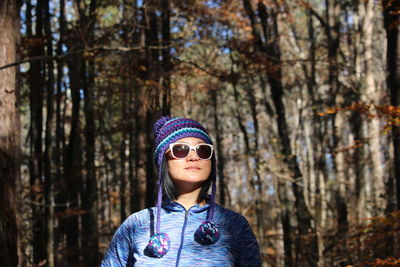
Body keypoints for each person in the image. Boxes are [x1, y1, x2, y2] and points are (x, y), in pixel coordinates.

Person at [100, 116, 261, 266]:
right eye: (181, 149)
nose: (193, 157)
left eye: (203, 150)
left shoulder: (234, 225)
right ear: (163, 161)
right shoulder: (137, 224)